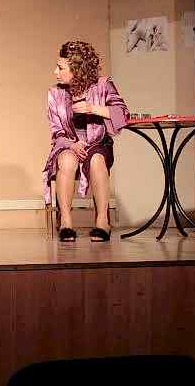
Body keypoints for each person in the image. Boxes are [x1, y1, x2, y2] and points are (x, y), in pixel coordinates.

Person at [42, 41, 129, 242]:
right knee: (66, 161)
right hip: (69, 144)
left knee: (97, 160)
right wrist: (72, 145)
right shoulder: (55, 93)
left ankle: (102, 222)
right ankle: (66, 222)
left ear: (77, 69)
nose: (55, 72)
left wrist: (92, 108)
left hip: (98, 144)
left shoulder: (102, 85)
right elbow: (56, 131)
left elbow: (123, 114)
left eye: (61, 67)